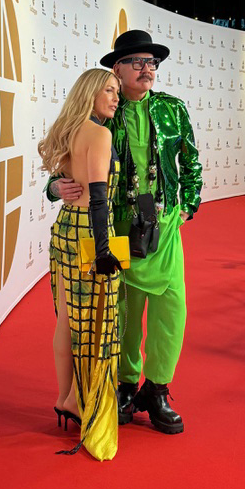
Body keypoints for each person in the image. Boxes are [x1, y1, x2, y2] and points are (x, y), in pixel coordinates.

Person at [50, 30, 202, 434]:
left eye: (152, 62)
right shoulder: (104, 110)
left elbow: (191, 162)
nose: (146, 69)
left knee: (171, 311)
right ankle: (124, 385)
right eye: (137, 62)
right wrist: (54, 188)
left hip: (164, 227)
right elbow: (66, 160)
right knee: (123, 313)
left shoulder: (172, 109)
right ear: (116, 69)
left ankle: (157, 389)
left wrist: (187, 207)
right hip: (115, 228)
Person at [38, 68, 123, 460]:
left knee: (67, 320)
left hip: (65, 230)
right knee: (98, 324)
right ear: (90, 93)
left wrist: (57, 187)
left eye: (117, 91)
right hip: (92, 234)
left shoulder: (69, 130)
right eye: (109, 90)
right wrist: (104, 249)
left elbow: (65, 182)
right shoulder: (100, 134)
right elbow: (99, 198)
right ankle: (80, 401)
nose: (115, 97)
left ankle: (66, 398)